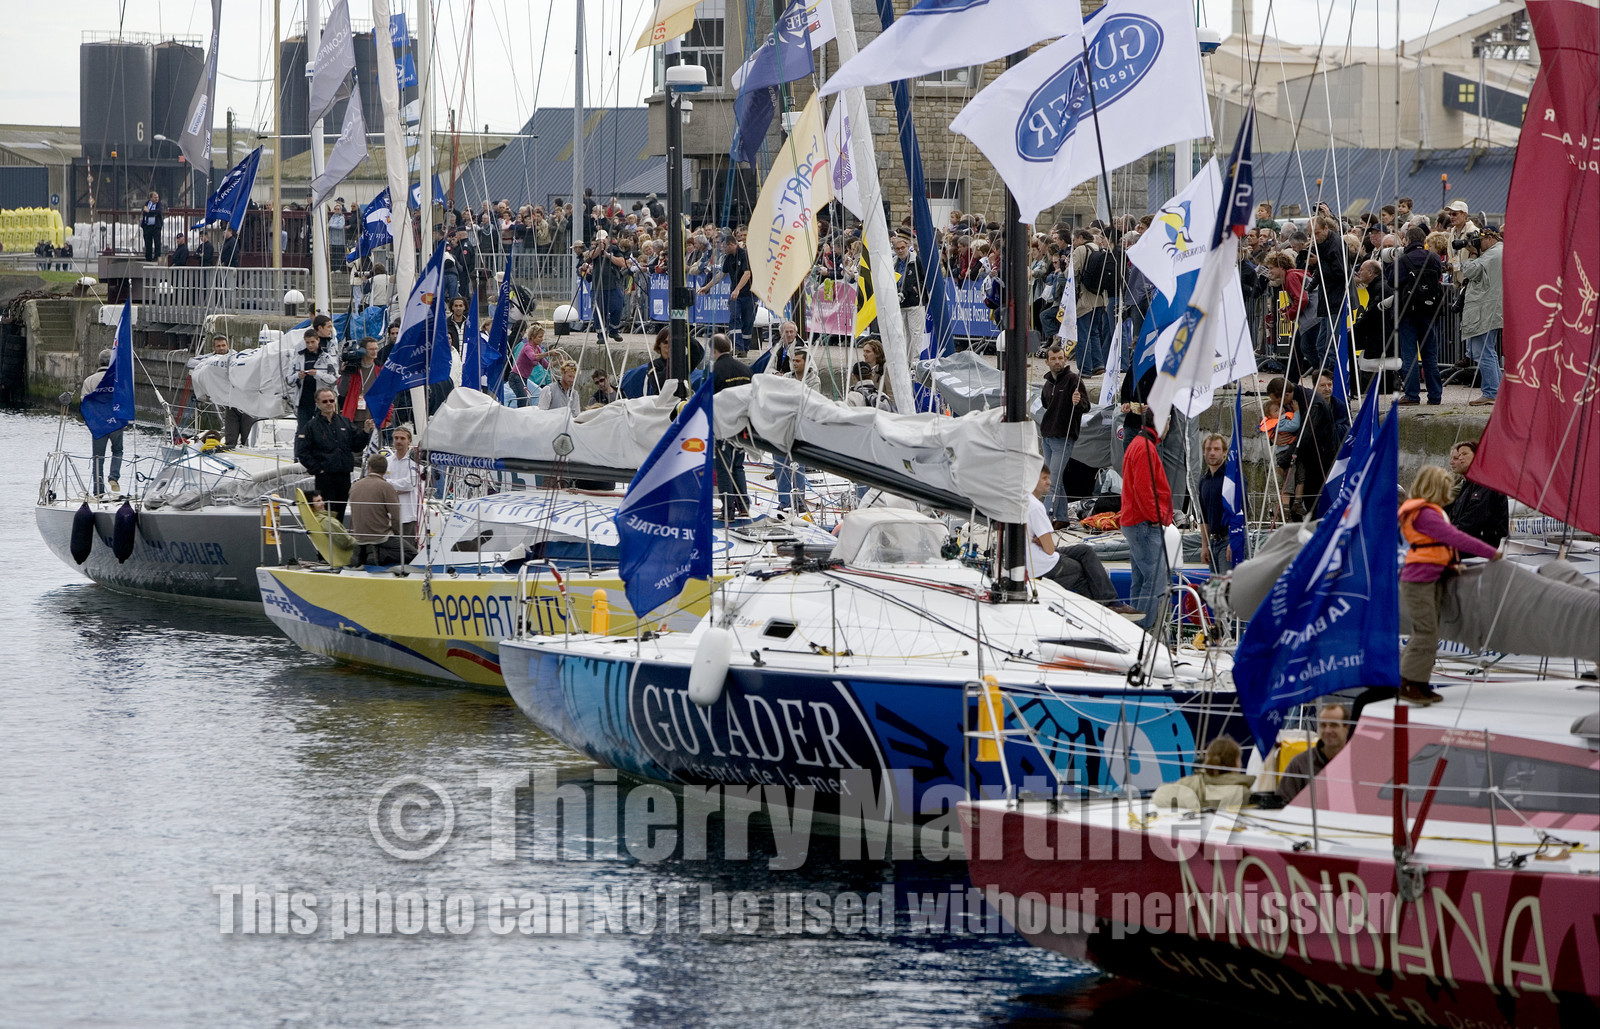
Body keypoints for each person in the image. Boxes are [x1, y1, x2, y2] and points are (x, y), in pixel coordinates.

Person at [1399, 465, 1502, 703]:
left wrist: (1450, 565)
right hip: (1419, 582)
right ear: (1437, 488)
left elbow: (1437, 547)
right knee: (1425, 633)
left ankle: (1418, 683)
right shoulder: (1427, 514)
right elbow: (1455, 538)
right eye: (1446, 488)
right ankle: (1409, 683)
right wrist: (1490, 552)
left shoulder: (1424, 512)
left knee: (1428, 633)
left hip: (1427, 578)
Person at [1027, 468, 1141, 614]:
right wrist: (1045, 542)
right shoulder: (1036, 508)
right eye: (1044, 478)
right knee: (1079, 569)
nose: (1049, 482)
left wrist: (1044, 541)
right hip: (1042, 564)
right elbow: (1049, 549)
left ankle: (1112, 603)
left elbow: (1047, 545)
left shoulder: (1025, 501)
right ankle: (1100, 612)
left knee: (1084, 550)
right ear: (1032, 480)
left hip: (1037, 556)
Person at [1120, 407, 1173, 632]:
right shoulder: (1145, 449)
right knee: (1156, 581)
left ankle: (1134, 628)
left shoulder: (1137, 445)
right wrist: (1157, 518)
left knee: (1141, 581)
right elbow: (1145, 490)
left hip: (1135, 521)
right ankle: (1143, 632)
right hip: (1144, 524)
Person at [295, 387, 374, 522]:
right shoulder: (311, 426)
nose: (329, 404)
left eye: (331, 400)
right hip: (325, 477)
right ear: (318, 403)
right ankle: (329, 540)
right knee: (327, 513)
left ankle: (339, 537)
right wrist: (318, 469)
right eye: (325, 401)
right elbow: (302, 452)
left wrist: (365, 432)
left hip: (343, 475)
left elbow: (357, 446)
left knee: (340, 512)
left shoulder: (345, 422)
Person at [1388, 225, 1446, 406]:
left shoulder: (1403, 260)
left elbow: (1392, 282)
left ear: (1407, 240)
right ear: (1423, 240)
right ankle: (1435, 396)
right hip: (1430, 311)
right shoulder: (1434, 257)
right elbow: (1439, 276)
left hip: (1407, 312)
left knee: (1410, 354)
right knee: (1430, 354)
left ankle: (1412, 395)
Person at [1038, 343, 1090, 527]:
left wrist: (1078, 401)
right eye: (1053, 359)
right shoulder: (1047, 383)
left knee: (1050, 481)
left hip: (1063, 437)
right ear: (1047, 362)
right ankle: (1062, 518)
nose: (1057, 362)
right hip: (1047, 437)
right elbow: (1046, 405)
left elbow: (1086, 406)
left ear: (1065, 359)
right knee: (1056, 480)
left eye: (1060, 358)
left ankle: (1041, 520)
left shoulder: (1073, 380)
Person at [1455, 226, 1503, 406]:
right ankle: (1496, 391)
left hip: (1485, 309)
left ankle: (1491, 391)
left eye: (1480, 240)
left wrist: (1473, 254)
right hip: (1489, 308)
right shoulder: (1498, 252)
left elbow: (1469, 272)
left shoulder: (1493, 253)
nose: (1478, 244)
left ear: (1490, 238)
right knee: (1487, 351)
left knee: (1482, 351)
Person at [346, 453, 416, 566]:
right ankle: (380, 555)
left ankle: (368, 554)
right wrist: (397, 533)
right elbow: (396, 516)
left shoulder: (355, 486)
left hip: (359, 536)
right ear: (385, 470)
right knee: (413, 554)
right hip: (380, 536)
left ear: (370, 468)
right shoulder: (386, 487)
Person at [1153, 735, 1257, 810]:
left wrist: (1194, 803)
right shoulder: (1243, 793)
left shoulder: (1191, 783)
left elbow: (1159, 796)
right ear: (1236, 764)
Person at [710, 334, 752, 520]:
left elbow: (709, 398)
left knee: (724, 467)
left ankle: (728, 510)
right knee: (738, 466)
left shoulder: (716, 370)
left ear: (713, 350)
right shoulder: (746, 369)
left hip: (724, 426)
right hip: (743, 426)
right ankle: (743, 506)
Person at [1276, 702, 1349, 803]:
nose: (1327, 730)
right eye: (1323, 725)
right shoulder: (1299, 764)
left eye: (1334, 725)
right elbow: (1282, 802)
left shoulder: (1357, 764)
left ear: (1346, 728)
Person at [1446, 440, 1509, 548]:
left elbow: (1473, 520)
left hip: (1479, 546)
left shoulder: (1486, 484)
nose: (1460, 458)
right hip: (1466, 541)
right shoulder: (1468, 485)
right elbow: (1454, 514)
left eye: (1464, 454)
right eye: (1459, 455)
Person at [702, 235, 755, 356]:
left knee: (748, 322)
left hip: (749, 294)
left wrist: (737, 289)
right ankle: (737, 346)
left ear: (731, 245)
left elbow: (747, 274)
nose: (723, 249)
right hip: (735, 295)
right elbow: (721, 274)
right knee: (734, 318)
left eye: (724, 247)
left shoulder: (744, 255)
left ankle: (744, 349)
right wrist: (707, 287)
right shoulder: (728, 258)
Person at [80, 348, 124, 494]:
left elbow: (84, 403)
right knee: (117, 450)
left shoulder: (89, 381)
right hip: (116, 422)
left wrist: (91, 421)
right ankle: (114, 477)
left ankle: (98, 491)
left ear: (98, 362)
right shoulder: (119, 379)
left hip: (98, 425)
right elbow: (125, 401)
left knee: (98, 458)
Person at [1195, 432, 1234, 573]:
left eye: (1216, 449)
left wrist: (1233, 542)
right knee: (1215, 589)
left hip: (1228, 541)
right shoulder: (1204, 481)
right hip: (1214, 543)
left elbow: (1242, 510)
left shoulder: (1232, 477)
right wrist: (1204, 546)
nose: (1212, 453)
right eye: (1208, 449)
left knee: (1227, 589)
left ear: (1224, 452)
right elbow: (1204, 516)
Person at [207, 335, 255, 447]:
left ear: (228, 345)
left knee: (246, 436)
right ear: (214, 348)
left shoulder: (237, 358)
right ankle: (230, 449)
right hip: (230, 404)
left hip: (245, 403)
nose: (221, 348)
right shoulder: (210, 361)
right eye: (218, 346)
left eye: (223, 345)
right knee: (231, 436)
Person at [288, 327, 340, 425]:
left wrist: (318, 374)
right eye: (307, 342)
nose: (310, 345)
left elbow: (335, 380)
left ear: (318, 340)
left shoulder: (327, 358)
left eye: (312, 342)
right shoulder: (298, 358)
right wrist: (298, 376)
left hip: (322, 402)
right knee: (302, 431)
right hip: (303, 401)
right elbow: (288, 380)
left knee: (323, 430)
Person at [382, 425, 423, 543]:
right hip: (389, 514)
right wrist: (396, 487)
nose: (398, 441)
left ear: (409, 441)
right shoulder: (387, 461)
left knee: (407, 548)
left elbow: (410, 483)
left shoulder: (415, 461)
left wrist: (388, 484)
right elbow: (381, 482)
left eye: (402, 438)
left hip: (408, 513)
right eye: (396, 438)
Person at [338, 337, 382, 421]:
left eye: (376, 348)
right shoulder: (353, 370)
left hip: (373, 418)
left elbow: (387, 395)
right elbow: (342, 392)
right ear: (363, 351)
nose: (375, 351)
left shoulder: (380, 371)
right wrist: (345, 374)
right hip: (353, 417)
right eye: (371, 349)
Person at [140, 191, 163, 262]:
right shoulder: (147, 203)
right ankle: (148, 257)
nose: (157, 199)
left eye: (157, 197)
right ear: (151, 198)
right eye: (155, 197)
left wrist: (150, 212)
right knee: (148, 242)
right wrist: (151, 213)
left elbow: (158, 211)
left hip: (156, 226)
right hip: (147, 226)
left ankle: (157, 257)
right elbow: (144, 212)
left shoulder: (159, 204)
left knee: (157, 242)